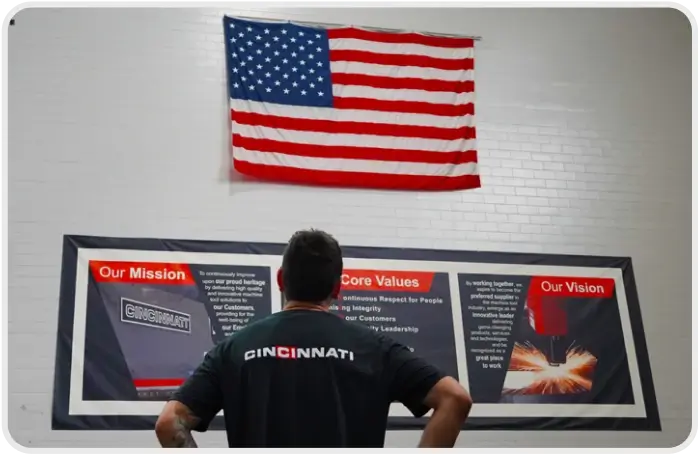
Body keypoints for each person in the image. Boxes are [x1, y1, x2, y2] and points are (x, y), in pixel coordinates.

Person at [155, 229, 472, 448]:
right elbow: (455, 399)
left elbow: (170, 423)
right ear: (337, 288)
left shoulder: (234, 350)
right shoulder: (374, 349)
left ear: (281, 280)